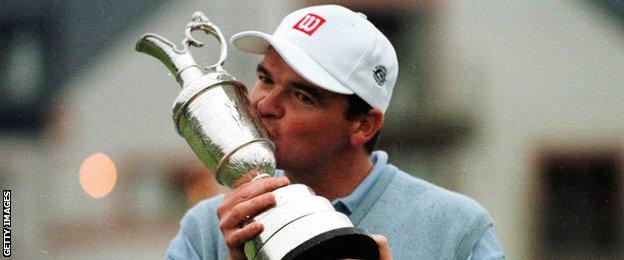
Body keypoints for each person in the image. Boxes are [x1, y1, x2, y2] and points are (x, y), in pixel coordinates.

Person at [167, 4, 504, 260]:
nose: (265, 104)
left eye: (302, 96)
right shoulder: (210, 226)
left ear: (364, 124)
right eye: (266, 78)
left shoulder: (457, 229)